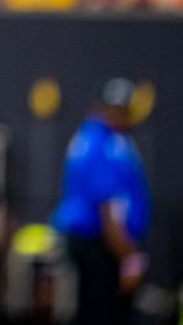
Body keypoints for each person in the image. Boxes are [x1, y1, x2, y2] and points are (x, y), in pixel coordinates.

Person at [51, 78, 151, 325]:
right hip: (98, 243)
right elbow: (107, 207)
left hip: (95, 241)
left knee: (91, 308)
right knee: (101, 312)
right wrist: (128, 257)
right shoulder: (103, 145)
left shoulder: (92, 138)